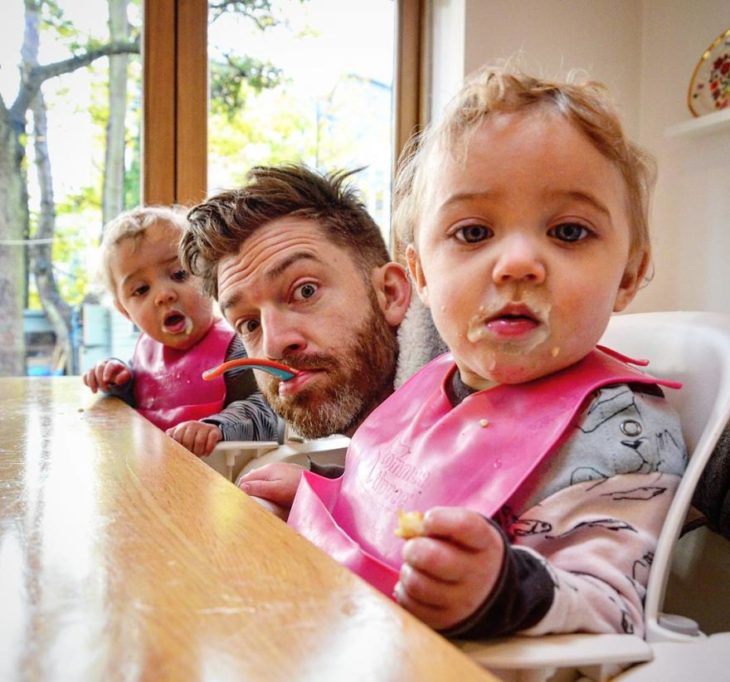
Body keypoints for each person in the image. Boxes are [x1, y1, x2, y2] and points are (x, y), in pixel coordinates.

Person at [242, 66, 689, 639]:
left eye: (569, 232)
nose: (518, 263)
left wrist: (503, 589)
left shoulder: (623, 432)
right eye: (475, 233)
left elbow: (611, 606)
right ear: (421, 274)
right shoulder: (434, 382)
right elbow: (396, 490)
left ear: (629, 275)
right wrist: (328, 496)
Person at [82, 205, 280, 456]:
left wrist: (218, 427)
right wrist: (117, 381)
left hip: (219, 483)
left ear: (210, 279)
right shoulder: (145, 353)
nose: (164, 295)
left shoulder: (236, 350)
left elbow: (268, 412)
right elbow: (140, 397)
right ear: (124, 311)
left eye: (178, 274)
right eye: (141, 290)